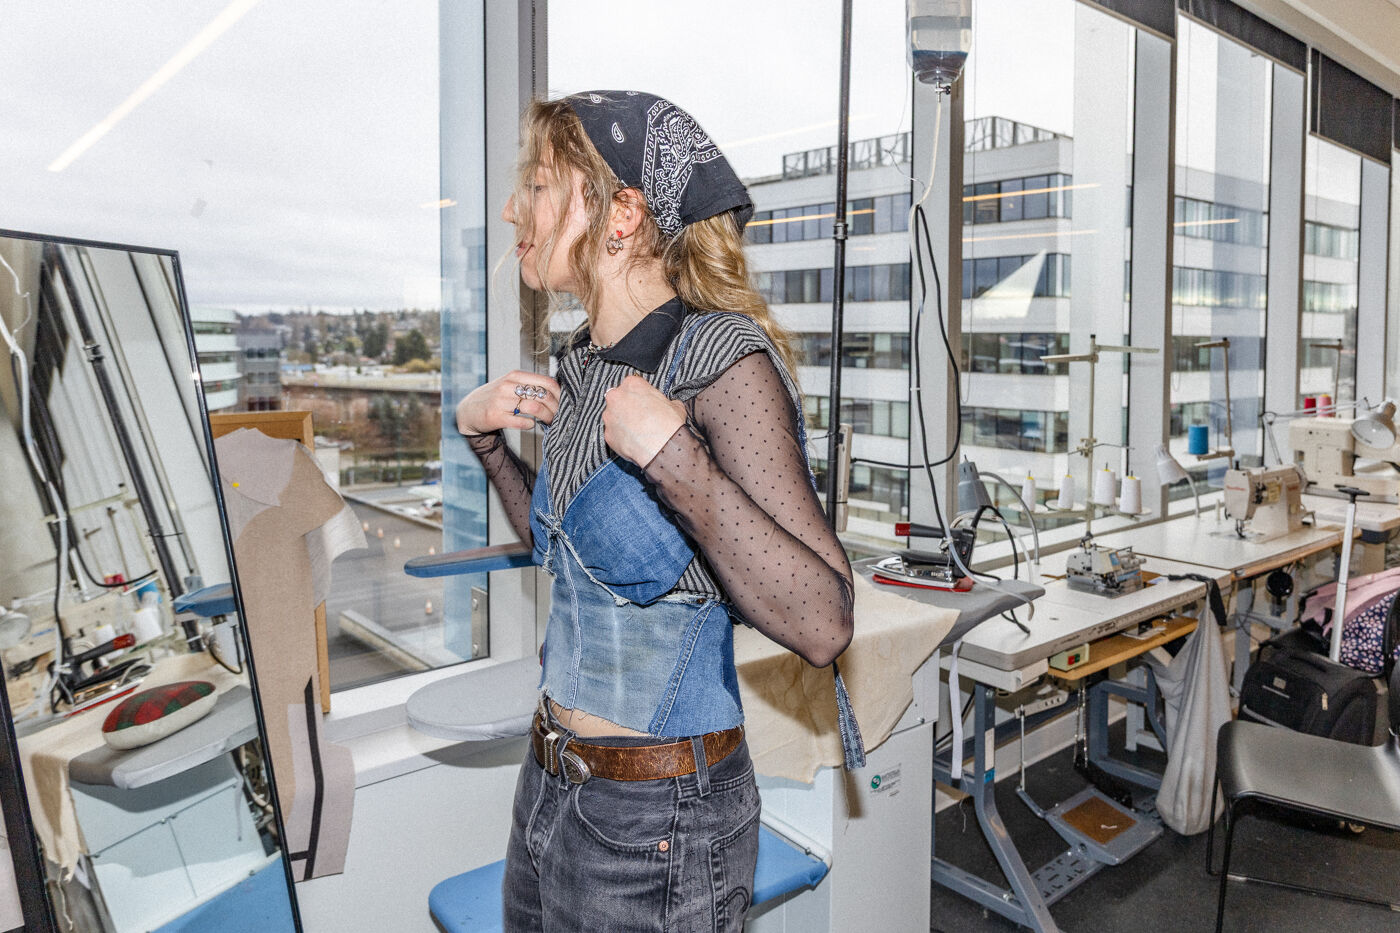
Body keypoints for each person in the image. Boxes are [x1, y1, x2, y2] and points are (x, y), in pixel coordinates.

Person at [454, 90, 859, 933]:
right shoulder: (584, 365)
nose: (510, 209)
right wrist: (486, 442)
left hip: (661, 822)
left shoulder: (720, 358)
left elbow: (824, 621)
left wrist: (678, 459)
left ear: (624, 213)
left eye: (536, 184)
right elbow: (567, 557)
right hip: (551, 789)